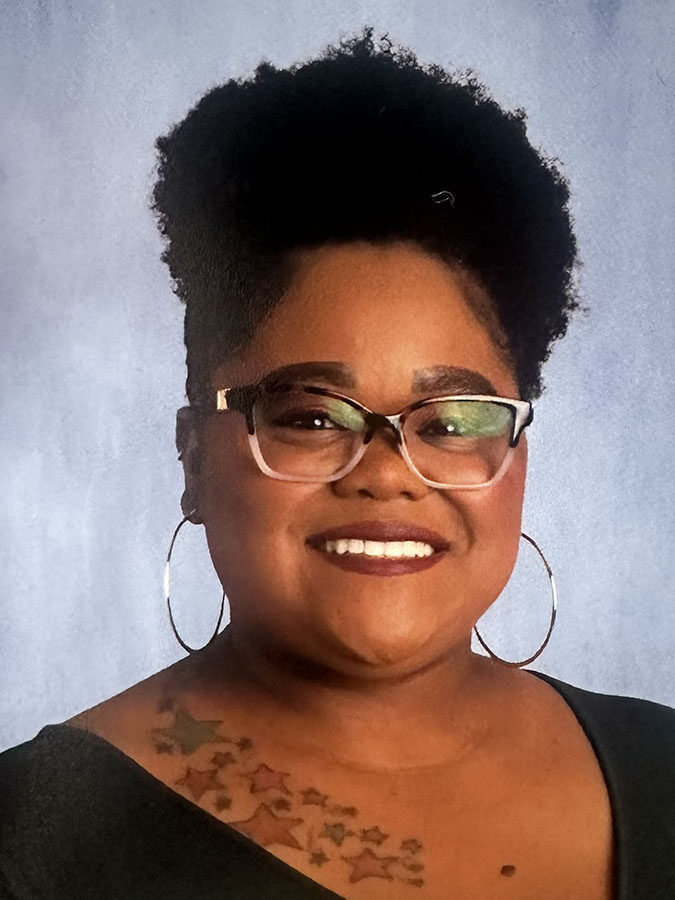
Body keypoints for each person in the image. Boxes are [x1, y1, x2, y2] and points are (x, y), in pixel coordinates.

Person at [1, 25, 673, 900]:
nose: (387, 471)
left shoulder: (661, 768)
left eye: (454, 419)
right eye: (314, 416)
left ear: (515, 455)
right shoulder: (33, 847)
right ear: (194, 458)